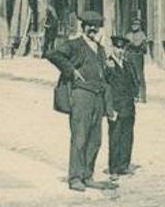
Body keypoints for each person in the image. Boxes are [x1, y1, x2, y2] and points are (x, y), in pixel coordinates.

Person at [46, 10, 118, 193]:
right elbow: (53, 54)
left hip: (98, 96)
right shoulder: (74, 44)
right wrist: (71, 71)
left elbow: (105, 78)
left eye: (96, 26)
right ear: (83, 27)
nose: (93, 29)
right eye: (90, 25)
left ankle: (87, 175)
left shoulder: (100, 49)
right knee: (80, 137)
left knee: (95, 140)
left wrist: (109, 67)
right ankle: (75, 178)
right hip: (82, 95)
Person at [105, 35, 139, 178]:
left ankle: (124, 165)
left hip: (128, 107)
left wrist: (136, 95)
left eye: (122, 48)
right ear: (112, 48)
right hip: (116, 107)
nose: (120, 51)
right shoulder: (108, 65)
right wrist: (109, 108)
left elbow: (134, 80)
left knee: (127, 136)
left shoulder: (127, 63)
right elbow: (106, 88)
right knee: (115, 138)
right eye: (117, 47)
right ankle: (113, 169)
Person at [125, 18, 149, 103]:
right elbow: (125, 46)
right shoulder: (128, 35)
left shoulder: (142, 35)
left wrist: (133, 45)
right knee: (131, 76)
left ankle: (142, 96)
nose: (134, 26)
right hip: (129, 56)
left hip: (138, 56)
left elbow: (143, 48)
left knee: (139, 76)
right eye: (133, 24)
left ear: (139, 26)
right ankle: (134, 95)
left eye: (136, 24)